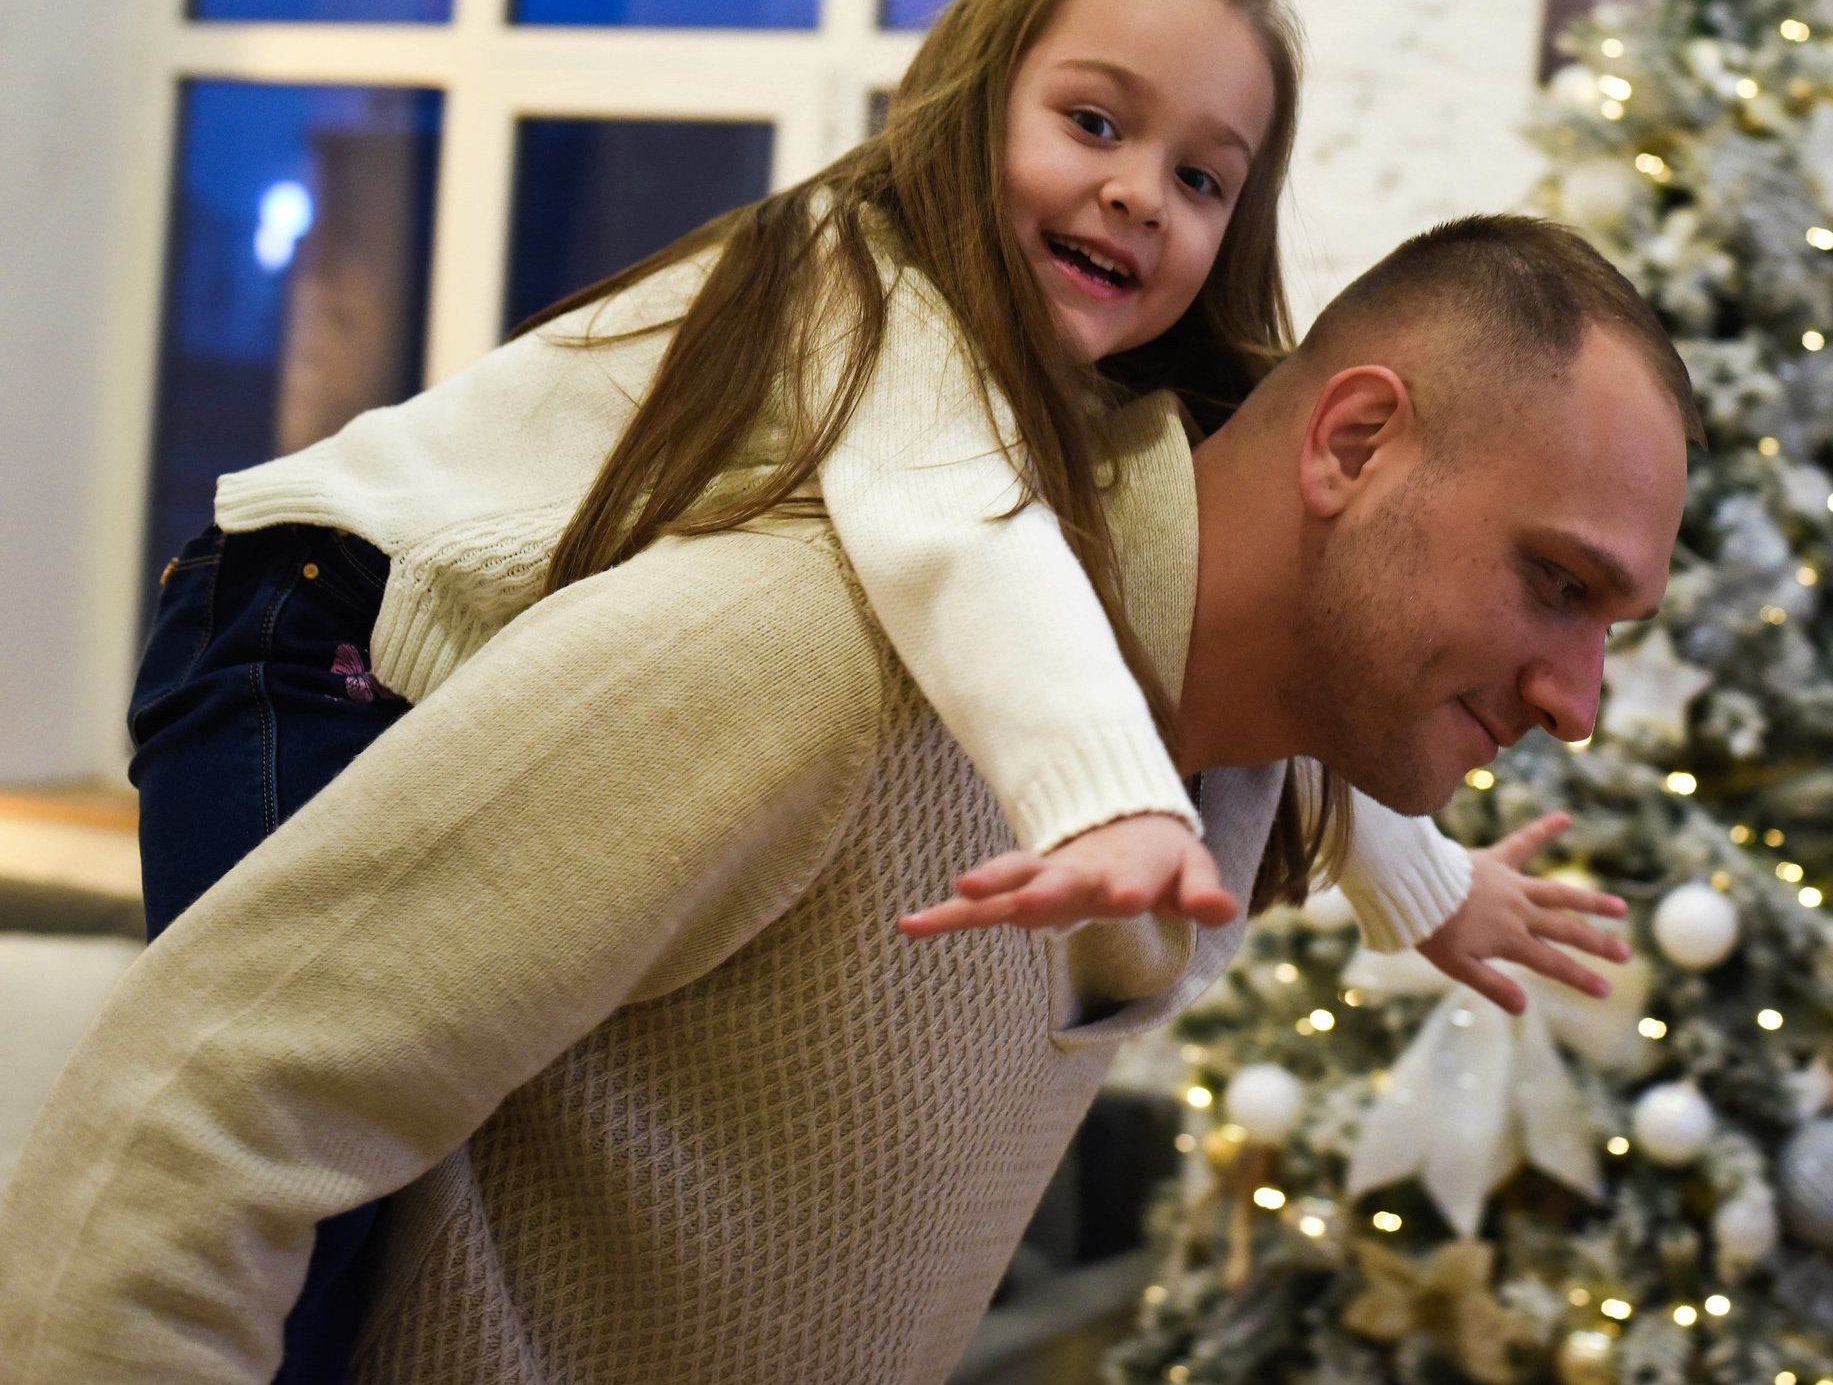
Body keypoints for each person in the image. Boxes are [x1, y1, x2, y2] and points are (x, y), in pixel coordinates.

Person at [123, 0, 1521, 1378]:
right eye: (1095, 125)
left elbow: (1302, 632)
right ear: (969, 107)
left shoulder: (1084, 408)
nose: (1138, 194)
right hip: (314, 623)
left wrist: (1427, 885)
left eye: (1202, 179)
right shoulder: (863, 284)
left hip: (427, 651)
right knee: (307, 1172)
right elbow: (965, 551)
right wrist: (1105, 793)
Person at [0, 213, 1700, 1385]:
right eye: (1557, 584)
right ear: (1350, 445)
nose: (1578, 700)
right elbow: (185, 1115)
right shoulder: (813, 650)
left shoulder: (1257, 775)